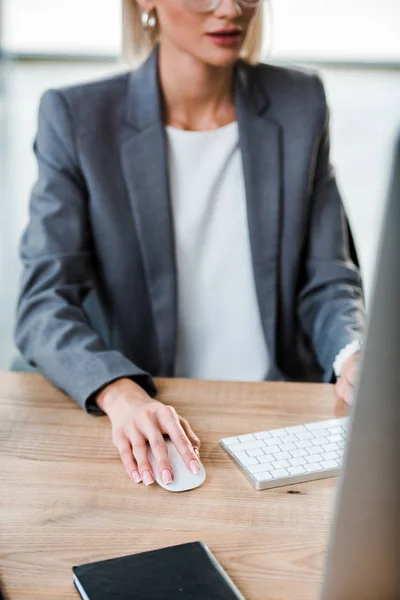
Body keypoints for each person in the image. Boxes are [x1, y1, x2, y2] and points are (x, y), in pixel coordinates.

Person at [14, 0, 365, 488]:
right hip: (157, 417)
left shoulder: (300, 101)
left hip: (282, 415)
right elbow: (43, 304)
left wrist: (353, 354)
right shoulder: (77, 118)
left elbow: (327, 277)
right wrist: (120, 391)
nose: (230, 8)